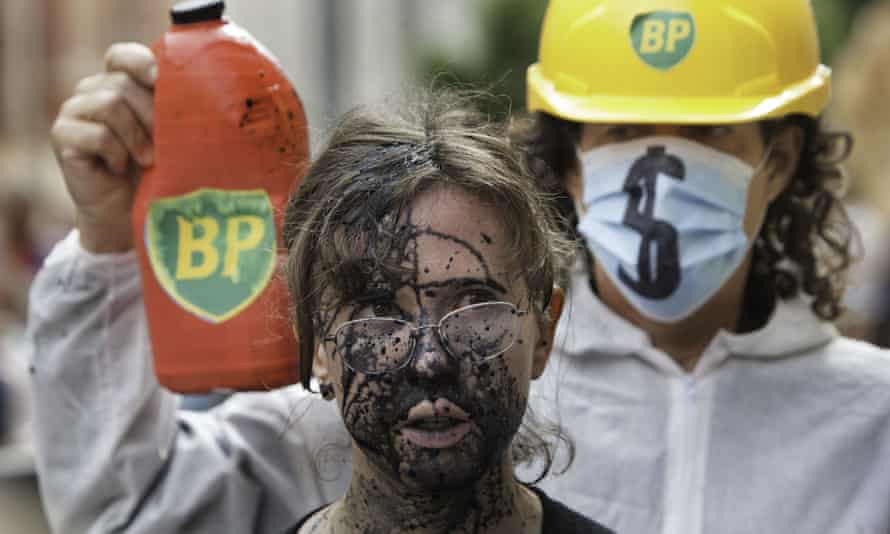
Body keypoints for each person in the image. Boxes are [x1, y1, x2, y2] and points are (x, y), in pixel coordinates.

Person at [28, 2, 890, 533]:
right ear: (572, 156)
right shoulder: (443, 388)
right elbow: (126, 513)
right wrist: (106, 243)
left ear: (778, 161)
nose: (661, 169)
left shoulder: (872, 427)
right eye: (622, 131)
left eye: (706, 135)